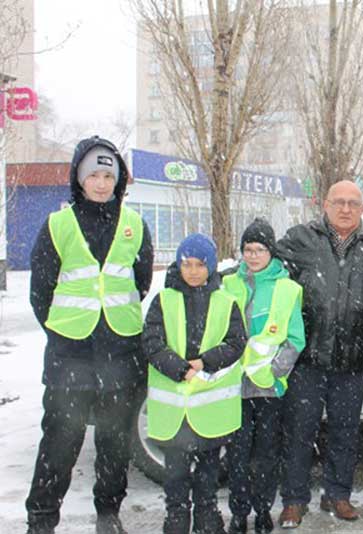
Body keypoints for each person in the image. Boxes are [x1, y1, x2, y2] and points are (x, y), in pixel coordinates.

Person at [25, 136, 154, 534]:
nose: (101, 183)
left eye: (108, 175)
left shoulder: (135, 226)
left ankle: (108, 512)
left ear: (119, 181)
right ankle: (42, 519)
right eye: (94, 175)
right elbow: (40, 292)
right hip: (71, 355)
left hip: (121, 352)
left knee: (115, 441)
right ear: (79, 179)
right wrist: (66, 333)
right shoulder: (57, 225)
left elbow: (141, 282)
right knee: (61, 440)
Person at [274, 180, 363, 529]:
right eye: (339, 202)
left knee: (345, 432)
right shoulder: (301, 239)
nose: (346, 209)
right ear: (325, 205)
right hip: (308, 357)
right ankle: (294, 500)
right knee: (300, 432)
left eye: (353, 203)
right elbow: (267, 270)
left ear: (362, 209)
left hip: (353, 357)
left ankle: (337, 495)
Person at [144, 234, 247, 534]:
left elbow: (236, 342)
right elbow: (152, 341)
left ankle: (207, 514)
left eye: (200, 264)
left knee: (208, 471)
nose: (192, 271)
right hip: (174, 412)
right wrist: (179, 368)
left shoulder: (226, 302)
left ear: (211, 266)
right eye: (186, 264)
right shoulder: (163, 300)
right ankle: (176, 515)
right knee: (175, 472)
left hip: (209, 410)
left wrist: (205, 362)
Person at [223, 218, 305, 534]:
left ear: (271, 252)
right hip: (234, 386)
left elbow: (295, 339)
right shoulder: (229, 283)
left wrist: (273, 372)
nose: (253, 255)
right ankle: (239, 512)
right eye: (248, 249)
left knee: (267, 454)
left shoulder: (287, 288)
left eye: (260, 249)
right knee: (238, 453)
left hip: (269, 388)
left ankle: (262, 510)